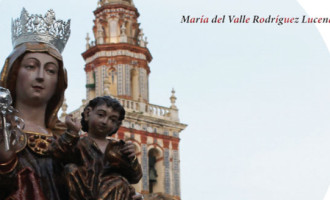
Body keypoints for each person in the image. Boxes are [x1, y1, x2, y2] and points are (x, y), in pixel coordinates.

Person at [0, 8, 71, 200]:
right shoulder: (2, 131)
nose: (40, 76)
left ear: (59, 82)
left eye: (50, 70)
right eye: (31, 66)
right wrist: (5, 163)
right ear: (14, 73)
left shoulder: (67, 140)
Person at [52, 96, 143, 200]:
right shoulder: (77, 143)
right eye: (101, 115)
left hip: (112, 194)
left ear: (116, 125)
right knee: (70, 169)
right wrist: (71, 133)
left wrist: (132, 158)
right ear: (87, 114)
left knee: (119, 182)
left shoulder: (118, 148)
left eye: (112, 120)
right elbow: (56, 154)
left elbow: (135, 177)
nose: (105, 121)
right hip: (83, 194)